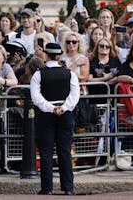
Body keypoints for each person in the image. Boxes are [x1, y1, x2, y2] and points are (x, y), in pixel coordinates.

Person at [30, 43, 79, 196]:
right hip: (65, 114)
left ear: (46, 55)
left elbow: (36, 97)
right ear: (59, 56)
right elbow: (74, 96)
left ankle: (47, 188)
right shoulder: (70, 74)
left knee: (46, 152)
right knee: (64, 150)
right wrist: (63, 108)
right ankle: (68, 188)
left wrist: (52, 108)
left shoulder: (39, 74)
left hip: (46, 115)